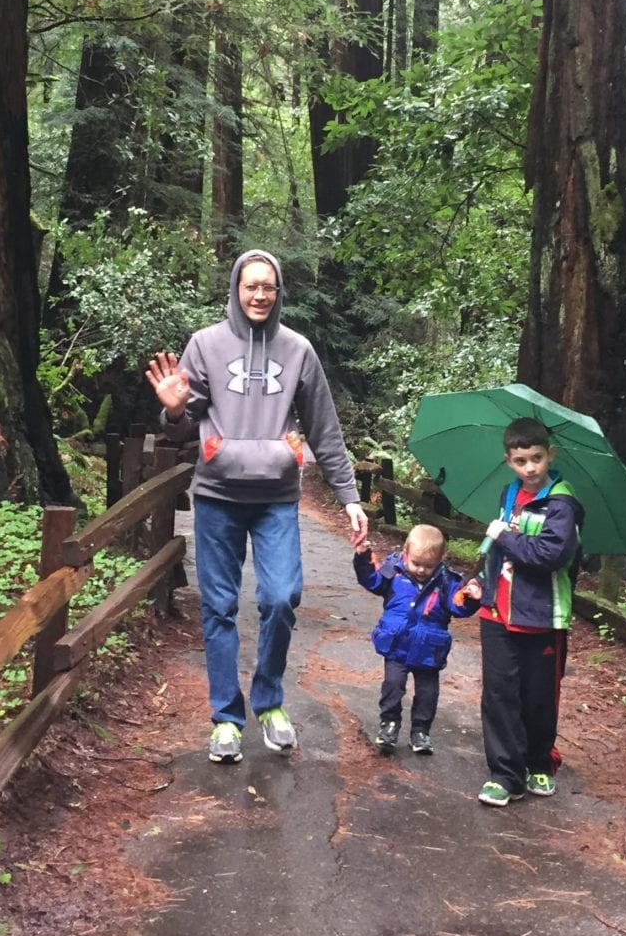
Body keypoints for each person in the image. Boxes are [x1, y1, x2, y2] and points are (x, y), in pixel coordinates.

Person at [145, 250, 368, 764]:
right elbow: (181, 420)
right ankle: (226, 718)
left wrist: (349, 497)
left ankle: (268, 702)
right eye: (251, 286)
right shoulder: (205, 344)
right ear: (235, 288)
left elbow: (324, 430)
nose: (260, 295)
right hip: (218, 495)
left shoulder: (298, 350)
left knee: (282, 597)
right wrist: (173, 410)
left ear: (279, 290)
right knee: (219, 606)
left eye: (268, 286)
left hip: (276, 498)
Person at [453, 418, 583, 808]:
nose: (530, 468)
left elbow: (551, 554)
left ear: (550, 456)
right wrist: (481, 585)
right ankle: (505, 774)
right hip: (498, 612)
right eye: (521, 460)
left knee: (538, 694)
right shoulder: (508, 495)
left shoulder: (563, 503)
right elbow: (498, 555)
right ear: (508, 461)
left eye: (537, 459)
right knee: (499, 693)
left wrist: (505, 536)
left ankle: (538, 761)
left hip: (542, 614)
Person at [353, 523, 464, 755]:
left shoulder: (447, 581)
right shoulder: (393, 571)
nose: (422, 570)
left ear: (441, 559)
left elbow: (458, 605)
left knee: (427, 692)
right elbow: (372, 581)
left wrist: (470, 597)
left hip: (429, 649)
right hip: (397, 645)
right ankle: (389, 723)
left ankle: (421, 731)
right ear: (405, 553)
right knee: (393, 686)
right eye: (416, 563)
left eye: (429, 566)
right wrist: (363, 558)